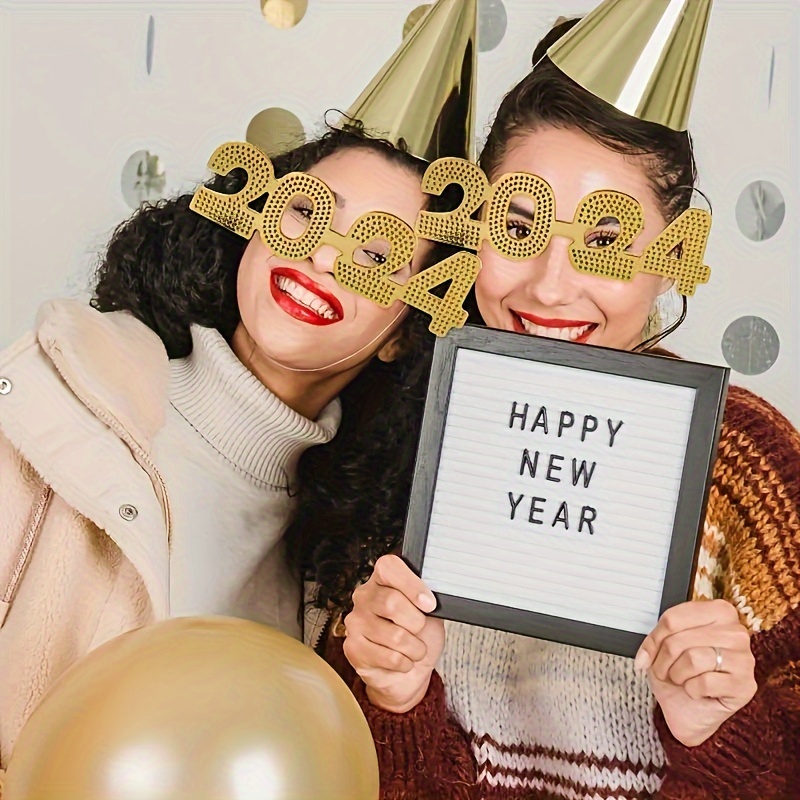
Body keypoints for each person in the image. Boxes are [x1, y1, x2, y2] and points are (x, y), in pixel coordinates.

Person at [318, 15, 800, 800]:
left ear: (671, 256)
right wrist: (393, 700)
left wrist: (719, 729)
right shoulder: (407, 431)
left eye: (606, 241)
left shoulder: (748, 464)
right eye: (517, 227)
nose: (548, 286)